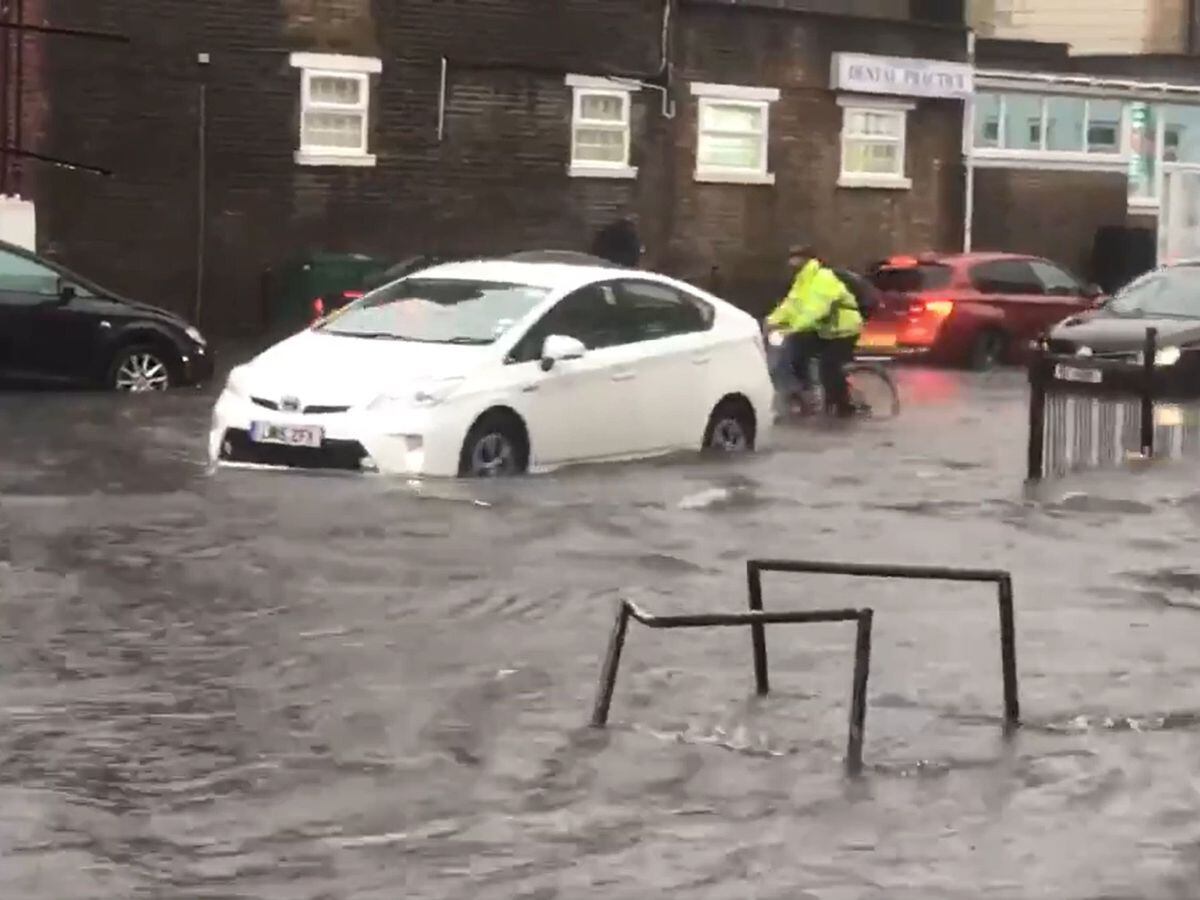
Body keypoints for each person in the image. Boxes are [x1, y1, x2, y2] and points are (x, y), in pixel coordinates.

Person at [767, 243, 863, 417]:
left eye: (796, 258)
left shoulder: (823, 278)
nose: (792, 262)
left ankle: (844, 406)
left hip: (843, 330)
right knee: (793, 351)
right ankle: (804, 394)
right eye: (791, 258)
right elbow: (791, 304)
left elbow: (816, 309)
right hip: (824, 329)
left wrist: (794, 328)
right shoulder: (802, 280)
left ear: (807, 259)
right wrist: (772, 321)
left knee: (829, 366)